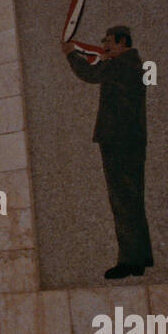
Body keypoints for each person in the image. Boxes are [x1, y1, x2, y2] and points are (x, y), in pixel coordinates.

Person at [61, 26, 154, 279]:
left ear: (123, 42)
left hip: (119, 139)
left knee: (123, 200)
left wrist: (71, 54)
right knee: (131, 200)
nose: (105, 45)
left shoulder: (122, 64)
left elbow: (90, 74)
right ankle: (140, 258)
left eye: (109, 41)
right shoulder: (130, 63)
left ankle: (129, 261)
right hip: (129, 138)